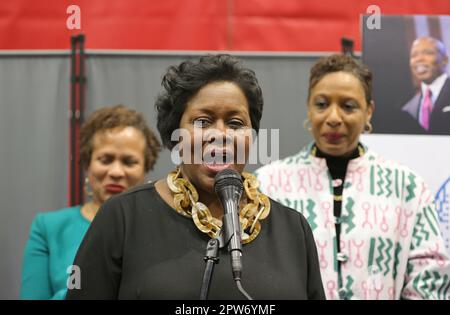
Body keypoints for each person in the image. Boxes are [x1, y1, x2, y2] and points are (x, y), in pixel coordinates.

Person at [65, 54, 325, 300]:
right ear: (175, 134)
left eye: (235, 123)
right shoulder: (122, 218)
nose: (220, 134)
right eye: (202, 122)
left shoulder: (293, 230)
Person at [255, 54, 450, 299]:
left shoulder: (406, 187)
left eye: (348, 106)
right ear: (308, 107)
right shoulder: (268, 185)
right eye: (322, 104)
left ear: (369, 112)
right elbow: (256, 276)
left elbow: (430, 277)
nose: (334, 118)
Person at [20, 105, 161, 299]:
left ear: (146, 169)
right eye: (105, 160)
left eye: (129, 162)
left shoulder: (161, 229)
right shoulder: (48, 228)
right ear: (87, 164)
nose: (116, 172)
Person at [401, 36, 450, 135]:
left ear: (444, 60)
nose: (419, 59)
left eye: (428, 53)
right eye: (414, 55)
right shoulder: (407, 106)